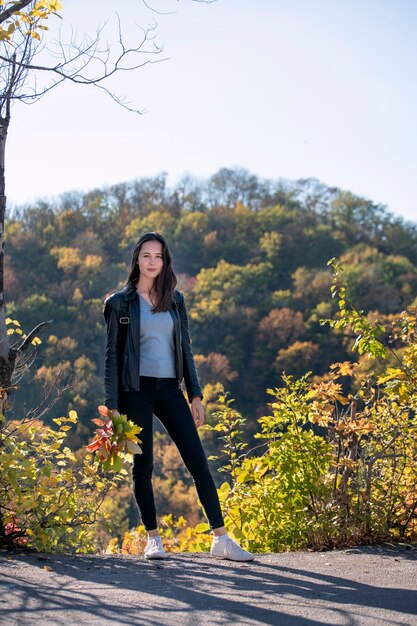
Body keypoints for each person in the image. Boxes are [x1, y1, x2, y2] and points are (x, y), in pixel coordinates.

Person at [103, 232, 253, 562]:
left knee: (198, 463)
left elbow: (185, 348)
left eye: (158, 256)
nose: (152, 261)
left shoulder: (176, 299)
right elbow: (112, 359)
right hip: (135, 392)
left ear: (165, 261)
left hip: (172, 390)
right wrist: (112, 408)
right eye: (146, 255)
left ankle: (221, 539)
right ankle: (153, 539)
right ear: (137, 260)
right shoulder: (119, 303)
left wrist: (196, 394)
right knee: (144, 467)